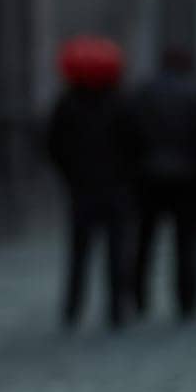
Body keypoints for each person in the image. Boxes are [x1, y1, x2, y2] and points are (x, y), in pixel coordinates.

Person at [47, 36, 133, 328]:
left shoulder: (67, 105)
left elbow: (53, 146)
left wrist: (70, 174)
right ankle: (116, 310)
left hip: (82, 189)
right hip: (114, 189)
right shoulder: (120, 104)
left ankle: (72, 308)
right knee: (115, 252)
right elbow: (137, 145)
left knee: (79, 253)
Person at [126, 47, 196, 319]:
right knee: (184, 242)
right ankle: (186, 299)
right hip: (186, 179)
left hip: (149, 177)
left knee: (144, 241)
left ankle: (139, 297)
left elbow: (129, 136)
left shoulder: (143, 94)